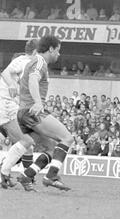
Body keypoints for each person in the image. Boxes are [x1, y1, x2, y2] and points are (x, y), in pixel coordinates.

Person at [16, 35, 73, 191]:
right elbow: (33, 79)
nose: (59, 54)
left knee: (51, 148)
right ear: (51, 49)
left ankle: (27, 176)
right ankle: (51, 176)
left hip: (23, 112)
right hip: (32, 111)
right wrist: (38, 102)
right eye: (58, 51)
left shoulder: (33, 62)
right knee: (67, 138)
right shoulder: (40, 61)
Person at [0, 39, 39, 188]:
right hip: (6, 106)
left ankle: (27, 179)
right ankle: (4, 172)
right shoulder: (25, 61)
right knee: (27, 141)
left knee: (28, 145)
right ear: (35, 52)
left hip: (11, 106)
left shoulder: (24, 61)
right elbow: (5, 73)